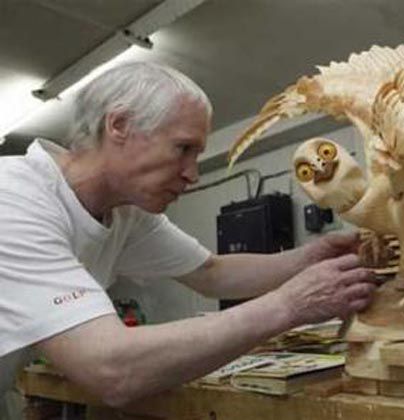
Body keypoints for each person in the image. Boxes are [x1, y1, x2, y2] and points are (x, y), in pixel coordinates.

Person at [0, 61, 377, 409]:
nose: (192, 174)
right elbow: (111, 369)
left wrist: (313, 256)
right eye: (183, 149)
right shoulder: (14, 197)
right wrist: (289, 306)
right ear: (119, 125)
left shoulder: (126, 212)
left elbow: (211, 272)